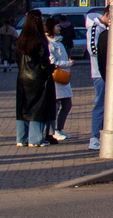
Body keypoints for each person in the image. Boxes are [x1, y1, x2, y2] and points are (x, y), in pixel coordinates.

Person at [14, 10, 56, 147]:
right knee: (38, 108)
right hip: (38, 78)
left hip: (22, 77)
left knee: (23, 108)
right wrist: (51, 69)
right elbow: (44, 60)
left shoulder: (22, 37)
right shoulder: (40, 38)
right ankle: (35, 139)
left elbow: (17, 58)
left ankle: (21, 138)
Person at [45, 18, 73, 142]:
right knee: (55, 105)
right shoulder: (49, 43)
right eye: (57, 26)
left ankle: (59, 128)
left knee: (67, 104)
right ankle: (53, 130)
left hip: (63, 77)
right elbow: (53, 62)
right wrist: (68, 63)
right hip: (56, 77)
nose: (59, 28)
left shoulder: (58, 41)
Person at [86, 8, 108, 150]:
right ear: (106, 15)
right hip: (99, 73)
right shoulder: (95, 29)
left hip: (105, 71)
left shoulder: (102, 28)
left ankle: (101, 136)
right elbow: (93, 50)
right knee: (100, 104)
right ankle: (95, 138)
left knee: (105, 105)